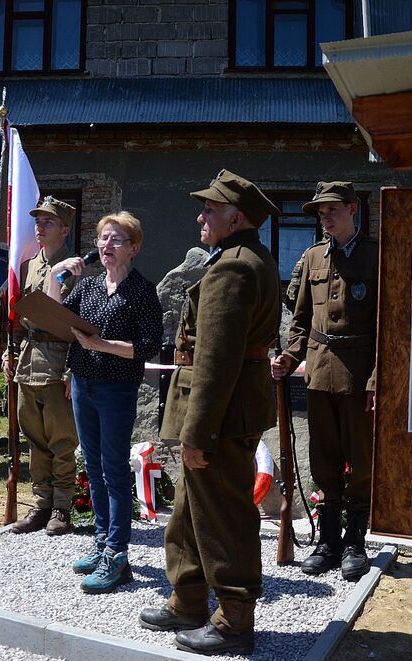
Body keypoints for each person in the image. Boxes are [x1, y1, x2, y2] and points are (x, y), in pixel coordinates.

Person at [140, 170, 281, 656]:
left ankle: (234, 618)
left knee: (223, 518)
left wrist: (197, 434)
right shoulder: (243, 259)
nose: (200, 216)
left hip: (219, 415)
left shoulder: (234, 268)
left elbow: (216, 360)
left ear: (235, 217)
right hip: (223, 409)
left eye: (210, 209)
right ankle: (188, 599)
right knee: (189, 511)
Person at [48, 211, 163, 593]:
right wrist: (55, 276)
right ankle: (101, 542)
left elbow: (147, 348)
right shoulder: (91, 285)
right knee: (94, 468)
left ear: (134, 248)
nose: (106, 246)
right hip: (83, 384)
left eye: (116, 240)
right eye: (102, 239)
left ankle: (117, 553)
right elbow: (55, 318)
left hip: (116, 390)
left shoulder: (143, 292)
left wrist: (100, 345)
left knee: (113, 470)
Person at [271, 181, 377, 581]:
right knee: (323, 459)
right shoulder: (313, 257)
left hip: (358, 374)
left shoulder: (374, 255)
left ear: (353, 209)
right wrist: (289, 356)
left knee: (361, 461)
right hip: (319, 370)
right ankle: (328, 540)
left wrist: (376, 379)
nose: (325, 217)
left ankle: (355, 542)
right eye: (320, 212)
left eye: (332, 209)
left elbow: (390, 324)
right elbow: (300, 320)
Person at [5, 196, 81, 536]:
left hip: (59, 360)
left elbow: (81, 324)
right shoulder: (28, 266)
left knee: (61, 439)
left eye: (47, 222)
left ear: (64, 229)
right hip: (28, 360)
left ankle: (62, 508)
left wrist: (73, 370)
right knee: (34, 437)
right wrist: (10, 353)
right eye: (37, 221)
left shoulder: (77, 267)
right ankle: (41, 504)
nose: (39, 227)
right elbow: (21, 317)